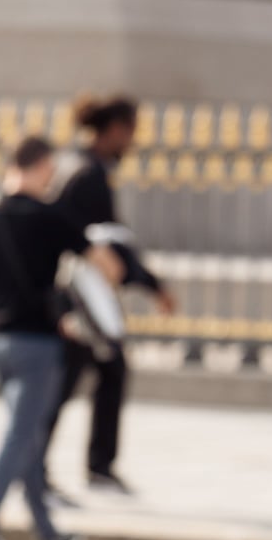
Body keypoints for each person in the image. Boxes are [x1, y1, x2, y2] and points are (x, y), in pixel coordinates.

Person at [0, 135, 121, 540]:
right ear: (40, 166)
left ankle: (47, 534)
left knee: (28, 437)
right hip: (37, 344)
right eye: (50, 172)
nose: (52, 181)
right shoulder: (53, 217)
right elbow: (109, 265)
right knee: (20, 438)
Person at [45, 94, 176, 499]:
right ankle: (74, 467)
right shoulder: (89, 175)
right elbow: (103, 243)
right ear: (115, 130)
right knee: (82, 376)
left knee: (82, 376)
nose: (131, 141)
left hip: (73, 293)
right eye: (130, 132)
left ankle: (80, 466)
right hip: (80, 296)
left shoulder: (77, 165)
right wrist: (153, 285)